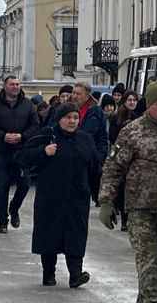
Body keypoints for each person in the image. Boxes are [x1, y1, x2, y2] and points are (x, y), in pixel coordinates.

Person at [98, 81, 157, 303]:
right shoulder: (132, 131)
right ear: (148, 105)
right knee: (149, 268)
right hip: (141, 210)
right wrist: (107, 201)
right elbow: (113, 167)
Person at [21, 102, 100, 288]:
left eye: (75, 117)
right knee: (50, 234)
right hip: (51, 196)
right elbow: (24, 156)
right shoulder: (47, 135)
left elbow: (95, 168)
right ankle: (48, 273)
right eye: (68, 117)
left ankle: (76, 274)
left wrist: (100, 194)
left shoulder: (85, 139)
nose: (72, 121)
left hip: (78, 197)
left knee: (77, 234)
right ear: (59, 119)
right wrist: (43, 152)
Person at [0, 74, 40, 233]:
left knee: (24, 185)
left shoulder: (28, 105)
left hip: (22, 152)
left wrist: (23, 136)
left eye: (17, 84)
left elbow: (35, 124)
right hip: (2, 152)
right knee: (2, 187)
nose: (15, 87)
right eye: (12, 84)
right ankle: (3, 221)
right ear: (5, 86)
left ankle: (14, 208)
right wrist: (3, 136)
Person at [51, 82, 108, 165]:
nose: (74, 96)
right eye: (73, 93)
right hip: (64, 158)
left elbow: (102, 138)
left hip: (89, 159)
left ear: (87, 97)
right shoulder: (61, 110)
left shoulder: (97, 112)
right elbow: (52, 130)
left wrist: (99, 158)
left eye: (78, 94)